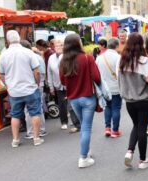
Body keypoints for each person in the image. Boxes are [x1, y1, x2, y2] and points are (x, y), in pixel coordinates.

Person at [117, 32, 148, 169]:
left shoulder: (122, 61)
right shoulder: (144, 61)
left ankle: (130, 152)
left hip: (129, 100)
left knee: (136, 125)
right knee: (142, 126)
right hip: (142, 99)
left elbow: (119, 80)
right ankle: (142, 160)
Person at [60, 33, 101, 168]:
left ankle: (87, 151)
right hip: (88, 97)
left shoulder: (63, 61)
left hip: (73, 98)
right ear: (78, 44)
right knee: (86, 127)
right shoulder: (87, 58)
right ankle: (83, 157)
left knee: (84, 126)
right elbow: (97, 77)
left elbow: (62, 81)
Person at [0, 30, 44, 147]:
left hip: (14, 91)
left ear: (8, 40)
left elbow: (1, 75)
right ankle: (36, 138)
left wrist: (8, 85)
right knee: (34, 113)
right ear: (19, 39)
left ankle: (15, 140)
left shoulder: (3, 55)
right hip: (30, 88)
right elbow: (37, 71)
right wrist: (37, 83)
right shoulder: (28, 53)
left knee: (15, 115)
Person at [19, 40, 48, 140]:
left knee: (29, 110)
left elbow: (37, 73)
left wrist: (36, 83)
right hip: (39, 84)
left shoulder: (27, 58)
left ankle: (32, 132)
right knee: (39, 108)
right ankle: (42, 129)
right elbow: (43, 73)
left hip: (31, 86)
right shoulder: (38, 57)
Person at [48, 38, 79, 132]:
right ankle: (64, 122)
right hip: (58, 84)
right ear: (53, 47)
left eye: (61, 45)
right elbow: (49, 72)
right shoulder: (51, 58)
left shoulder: (67, 56)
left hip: (69, 84)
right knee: (61, 104)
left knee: (71, 104)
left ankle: (75, 121)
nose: (58, 47)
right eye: (56, 45)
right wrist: (51, 86)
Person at [96, 38, 122, 138]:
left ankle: (107, 128)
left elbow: (96, 73)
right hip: (115, 87)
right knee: (116, 108)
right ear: (117, 45)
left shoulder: (99, 57)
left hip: (104, 87)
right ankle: (115, 131)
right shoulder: (118, 57)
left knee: (107, 107)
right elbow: (120, 73)